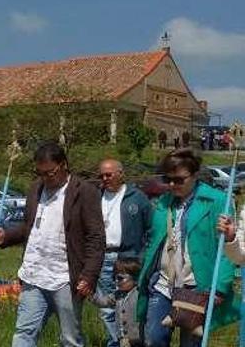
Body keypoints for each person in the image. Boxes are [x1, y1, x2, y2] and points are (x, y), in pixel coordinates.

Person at [0, 141, 105, 347]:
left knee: (70, 339)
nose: (46, 178)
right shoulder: (35, 189)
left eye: (50, 173)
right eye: (40, 173)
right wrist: (6, 236)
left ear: (64, 165)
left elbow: (96, 237)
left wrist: (89, 275)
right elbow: (29, 227)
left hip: (66, 279)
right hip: (34, 276)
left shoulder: (84, 192)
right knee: (24, 333)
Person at [136, 148, 239, 346]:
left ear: (194, 176)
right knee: (154, 339)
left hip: (197, 287)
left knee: (191, 343)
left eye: (179, 180)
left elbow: (226, 248)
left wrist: (220, 287)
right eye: (168, 179)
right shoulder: (163, 202)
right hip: (163, 284)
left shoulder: (217, 201)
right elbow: (153, 242)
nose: (173, 185)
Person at [95, 159, 152, 347]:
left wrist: (142, 257)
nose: (105, 178)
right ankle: (116, 342)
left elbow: (150, 230)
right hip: (103, 257)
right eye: (101, 175)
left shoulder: (137, 197)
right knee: (107, 307)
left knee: (131, 304)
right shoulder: (96, 196)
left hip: (129, 258)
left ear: (121, 173)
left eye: (108, 174)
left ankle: (135, 341)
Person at [90, 257, 144, 347]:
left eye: (120, 278)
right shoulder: (117, 295)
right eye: (114, 277)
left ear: (134, 278)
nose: (116, 281)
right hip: (123, 339)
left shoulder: (139, 294)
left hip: (138, 338)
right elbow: (103, 302)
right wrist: (91, 295)